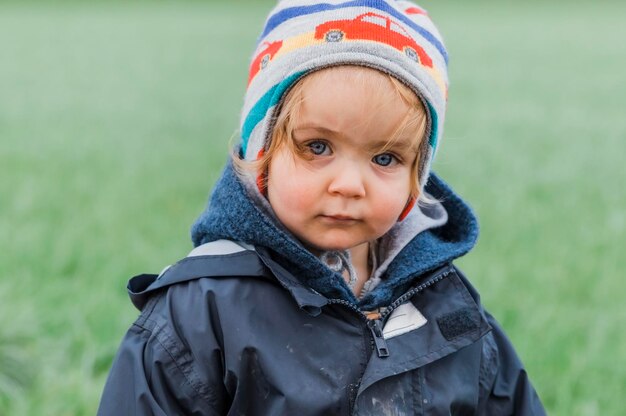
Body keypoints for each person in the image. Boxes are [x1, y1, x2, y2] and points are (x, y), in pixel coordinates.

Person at [98, 0, 546, 414]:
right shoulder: (199, 315)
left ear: (417, 178)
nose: (349, 185)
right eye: (317, 147)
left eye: (385, 158)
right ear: (262, 152)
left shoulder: (446, 306)